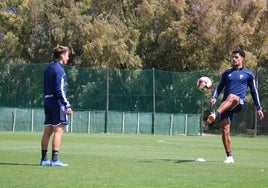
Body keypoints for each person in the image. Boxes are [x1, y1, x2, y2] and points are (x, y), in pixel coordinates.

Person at [207, 48, 264, 164]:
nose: (234, 59)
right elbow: (219, 87)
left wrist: (259, 108)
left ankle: (215, 113)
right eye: (232, 57)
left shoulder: (248, 74)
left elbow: (254, 91)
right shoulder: (227, 73)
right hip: (225, 105)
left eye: (236, 57)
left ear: (242, 58)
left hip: (238, 102)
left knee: (232, 96)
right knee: (224, 130)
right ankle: (229, 156)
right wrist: (214, 97)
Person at [40, 45, 73, 166]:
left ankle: (44, 159)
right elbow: (60, 90)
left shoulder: (48, 69)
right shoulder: (59, 70)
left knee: (47, 131)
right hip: (57, 103)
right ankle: (54, 160)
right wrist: (67, 105)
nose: (68, 58)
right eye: (67, 55)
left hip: (47, 101)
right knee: (59, 131)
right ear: (62, 56)